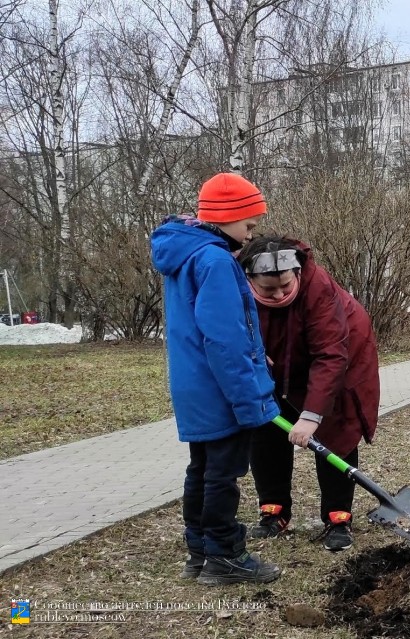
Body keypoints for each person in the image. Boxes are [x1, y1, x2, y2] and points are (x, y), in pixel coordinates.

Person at [150, 172, 281, 585]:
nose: (253, 229)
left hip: (194, 384)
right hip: (220, 387)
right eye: (250, 221)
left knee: (202, 470)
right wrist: (250, 396)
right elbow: (224, 338)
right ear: (229, 215)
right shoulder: (215, 260)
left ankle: (201, 552)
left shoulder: (186, 253)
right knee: (223, 474)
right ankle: (225, 554)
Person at [237, 235, 381, 552]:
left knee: (335, 429)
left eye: (285, 287)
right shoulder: (235, 285)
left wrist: (311, 415)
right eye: (268, 289)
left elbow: (330, 355)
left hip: (342, 356)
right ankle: (273, 511)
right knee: (268, 425)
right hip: (277, 359)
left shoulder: (319, 289)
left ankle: (337, 517)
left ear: (298, 273)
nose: (278, 295)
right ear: (250, 279)